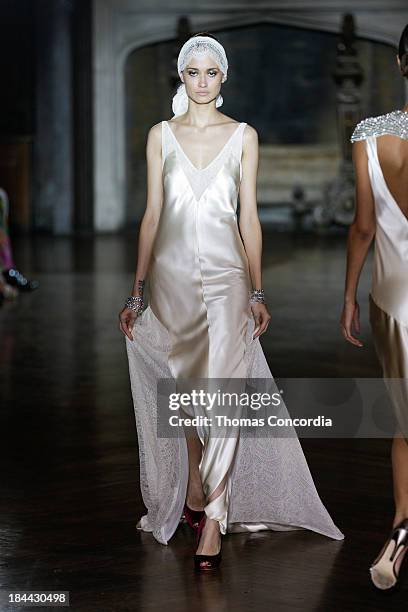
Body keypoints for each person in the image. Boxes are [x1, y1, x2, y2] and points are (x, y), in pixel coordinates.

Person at [120, 32, 343, 572]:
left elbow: (248, 219)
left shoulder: (244, 136)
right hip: (170, 282)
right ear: (182, 76)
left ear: (224, 78)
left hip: (226, 280)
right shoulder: (160, 136)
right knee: (186, 388)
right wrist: (136, 290)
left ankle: (214, 518)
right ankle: (195, 481)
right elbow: (152, 215)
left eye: (210, 72)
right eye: (191, 72)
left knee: (222, 389)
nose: (201, 81)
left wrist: (258, 288)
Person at [341, 24, 408, 590]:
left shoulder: (369, 135)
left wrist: (346, 297)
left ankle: (400, 530)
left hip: (393, 297)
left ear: (401, 66)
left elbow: (364, 226)